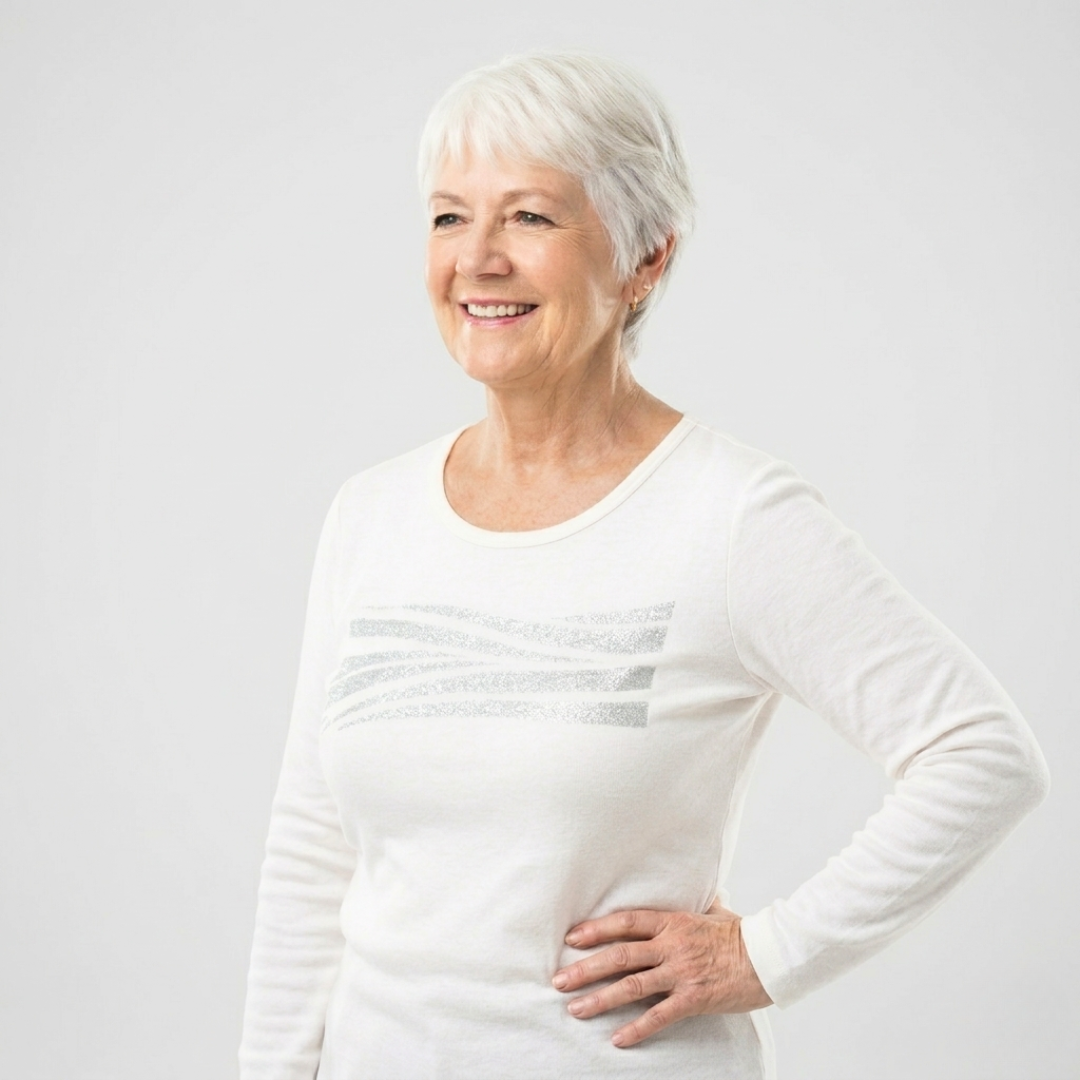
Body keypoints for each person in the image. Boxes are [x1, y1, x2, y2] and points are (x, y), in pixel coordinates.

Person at [238, 51, 1049, 1080]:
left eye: (530, 217)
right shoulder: (373, 514)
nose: (478, 258)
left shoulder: (730, 517)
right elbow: (314, 847)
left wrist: (767, 954)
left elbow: (980, 755)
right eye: (450, 217)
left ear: (645, 259)